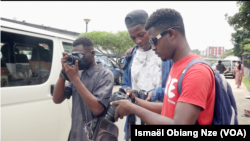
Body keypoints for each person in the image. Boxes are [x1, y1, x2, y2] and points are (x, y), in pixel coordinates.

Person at [111, 8, 215, 125]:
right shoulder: (177, 66)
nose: (153, 47)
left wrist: (133, 108)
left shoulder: (196, 72)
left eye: (154, 41)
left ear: (171, 34)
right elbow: (168, 107)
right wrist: (134, 101)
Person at [122, 9, 173, 140]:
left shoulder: (165, 54)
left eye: (141, 35)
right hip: (134, 120)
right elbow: (125, 83)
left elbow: (174, 90)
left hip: (160, 118)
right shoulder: (129, 55)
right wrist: (126, 91)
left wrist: (155, 93)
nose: (138, 40)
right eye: (133, 38)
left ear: (150, 30)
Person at [52, 37, 114, 141]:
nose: (77, 59)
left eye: (81, 55)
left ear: (93, 53)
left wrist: (75, 79)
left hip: (93, 137)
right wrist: (63, 73)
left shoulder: (105, 75)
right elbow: (57, 99)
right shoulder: (77, 73)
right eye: (74, 55)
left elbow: (97, 109)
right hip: (75, 135)